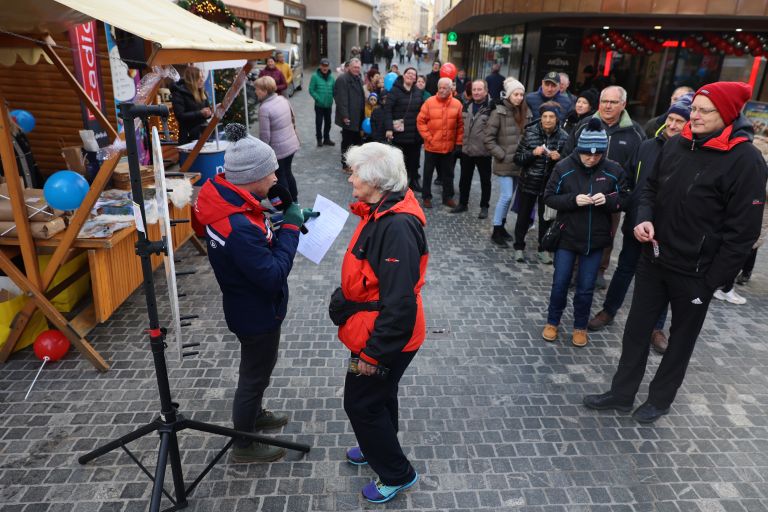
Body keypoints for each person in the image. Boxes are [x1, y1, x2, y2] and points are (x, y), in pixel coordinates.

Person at [583, 82, 767, 424]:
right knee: (636, 331)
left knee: (679, 342)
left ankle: (660, 400)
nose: (691, 116)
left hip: (697, 273)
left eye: (702, 111)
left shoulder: (746, 160)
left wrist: (712, 282)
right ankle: (622, 394)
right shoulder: (678, 143)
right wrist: (645, 218)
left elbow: (743, 233)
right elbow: (649, 188)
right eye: (692, 109)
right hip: (654, 259)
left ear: (726, 115)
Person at [195, 123, 313, 463]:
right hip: (256, 313)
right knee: (254, 375)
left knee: (261, 367)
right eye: (271, 172)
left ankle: (255, 414)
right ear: (252, 176)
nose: (276, 178)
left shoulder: (226, 200)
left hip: (245, 305)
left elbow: (249, 233)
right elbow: (272, 275)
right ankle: (244, 444)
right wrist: (290, 227)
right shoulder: (239, 228)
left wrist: (274, 219)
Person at [338, 142, 428, 504]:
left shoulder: (398, 227)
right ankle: (375, 444)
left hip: (386, 337)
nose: (351, 177)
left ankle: (396, 472)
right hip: (375, 330)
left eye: (356, 172)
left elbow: (400, 303)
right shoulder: (379, 209)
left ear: (375, 180)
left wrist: (375, 355)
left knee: (361, 403)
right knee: (379, 396)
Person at [588, 94, 694, 353]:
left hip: (669, 232)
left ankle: (656, 328)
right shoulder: (647, 146)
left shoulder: (692, 153)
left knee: (663, 281)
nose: (672, 125)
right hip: (637, 223)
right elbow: (628, 180)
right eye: (670, 119)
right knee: (625, 269)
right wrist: (623, 201)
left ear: (689, 124)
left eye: (679, 121)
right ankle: (609, 310)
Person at [542, 118, 629, 347]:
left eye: (597, 155)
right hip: (567, 237)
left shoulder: (613, 170)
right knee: (560, 283)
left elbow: (626, 198)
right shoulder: (563, 167)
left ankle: (580, 326)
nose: (592, 159)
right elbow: (549, 196)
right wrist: (573, 200)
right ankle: (553, 321)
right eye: (587, 154)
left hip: (596, 239)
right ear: (579, 150)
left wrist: (609, 200)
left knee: (586, 287)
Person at [566, 86, 645, 288]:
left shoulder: (635, 132)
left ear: (623, 105)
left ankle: (600, 269)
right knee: (575, 228)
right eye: (604, 101)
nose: (607, 106)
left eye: (613, 102)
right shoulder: (584, 125)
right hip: (581, 188)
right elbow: (568, 154)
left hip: (612, 194)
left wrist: (625, 191)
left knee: (607, 232)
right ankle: (574, 268)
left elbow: (639, 166)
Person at [511, 101, 569, 263]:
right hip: (529, 182)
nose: (548, 120)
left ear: (557, 119)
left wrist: (560, 158)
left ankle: (543, 249)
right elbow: (517, 159)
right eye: (545, 117)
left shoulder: (564, 137)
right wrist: (532, 153)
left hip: (549, 185)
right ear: (540, 118)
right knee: (523, 217)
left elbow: (570, 163)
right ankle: (519, 247)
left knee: (546, 219)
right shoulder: (530, 133)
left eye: (552, 117)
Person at [486, 78, 528, 247]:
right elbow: (488, 139)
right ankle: (496, 229)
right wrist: (501, 154)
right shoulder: (499, 112)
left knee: (509, 198)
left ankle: (502, 226)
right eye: (516, 94)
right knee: (506, 196)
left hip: (519, 163)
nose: (519, 97)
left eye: (521, 94)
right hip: (504, 163)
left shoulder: (525, 111)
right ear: (509, 95)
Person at [417, 77, 464, 209]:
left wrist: (458, 143)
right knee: (428, 173)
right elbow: (420, 122)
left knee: (448, 174)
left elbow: (461, 126)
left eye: (445, 88)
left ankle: (447, 197)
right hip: (431, 146)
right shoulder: (429, 102)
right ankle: (426, 197)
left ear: (451, 89)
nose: (442, 90)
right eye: (440, 88)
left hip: (449, 148)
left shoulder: (457, 104)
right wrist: (428, 137)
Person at [449, 79, 493, 218]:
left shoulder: (492, 108)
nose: (476, 92)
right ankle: (463, 203)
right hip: (467, 150)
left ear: (486, 91)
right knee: (464, 179)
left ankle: (484, 206)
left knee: (485, 181)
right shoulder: (466, 106)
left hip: (483, 151)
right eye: (474, 89)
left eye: (479, 89)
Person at [384, 67, 425, 192]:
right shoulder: (394, 91)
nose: (411, 76)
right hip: (399, 134)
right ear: (403, 75)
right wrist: (389, 128)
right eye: (409, 73)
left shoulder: (418, 92)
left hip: (414, 134)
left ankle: (413, 182)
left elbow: (422, 111)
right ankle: (397, 185)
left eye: (414, 74)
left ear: (416, 78)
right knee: (399, 161)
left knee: (414, 161)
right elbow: (387, 110)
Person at [334, 58, 366, 173]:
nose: (357, 69)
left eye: (358, 67)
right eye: (355, 67)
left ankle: (354, 163)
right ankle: (345, 164)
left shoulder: (358, 78)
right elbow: (341, 99)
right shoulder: (343, 79)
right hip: (349, 117)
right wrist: (345, 116)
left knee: (357, 141)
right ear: (349, 67)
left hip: (359, 116)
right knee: (347, 142)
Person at [171, 66, 212, 144]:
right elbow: (180, 116)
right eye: (199, 78)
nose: (202, 80)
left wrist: (211, 111)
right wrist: (200, 113)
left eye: (202, 77)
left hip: (203, 135)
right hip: (188, 138)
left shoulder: (201, 91)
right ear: (192, 79)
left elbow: (207, 113)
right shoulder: (179, 93)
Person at [309, 58, 336, 148]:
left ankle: (326, 139)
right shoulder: (315, 76)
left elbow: (335, 90)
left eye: (326, 66)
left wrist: (335, 99)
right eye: (323, 66)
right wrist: (317, 98)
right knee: (319, 122)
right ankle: (319, 139)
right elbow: (311, 89)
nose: (325, 68)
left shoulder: (332, 78)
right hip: (319, 105)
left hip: (328, 105)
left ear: (328, 67)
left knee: (328, 122)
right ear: (320, 66)